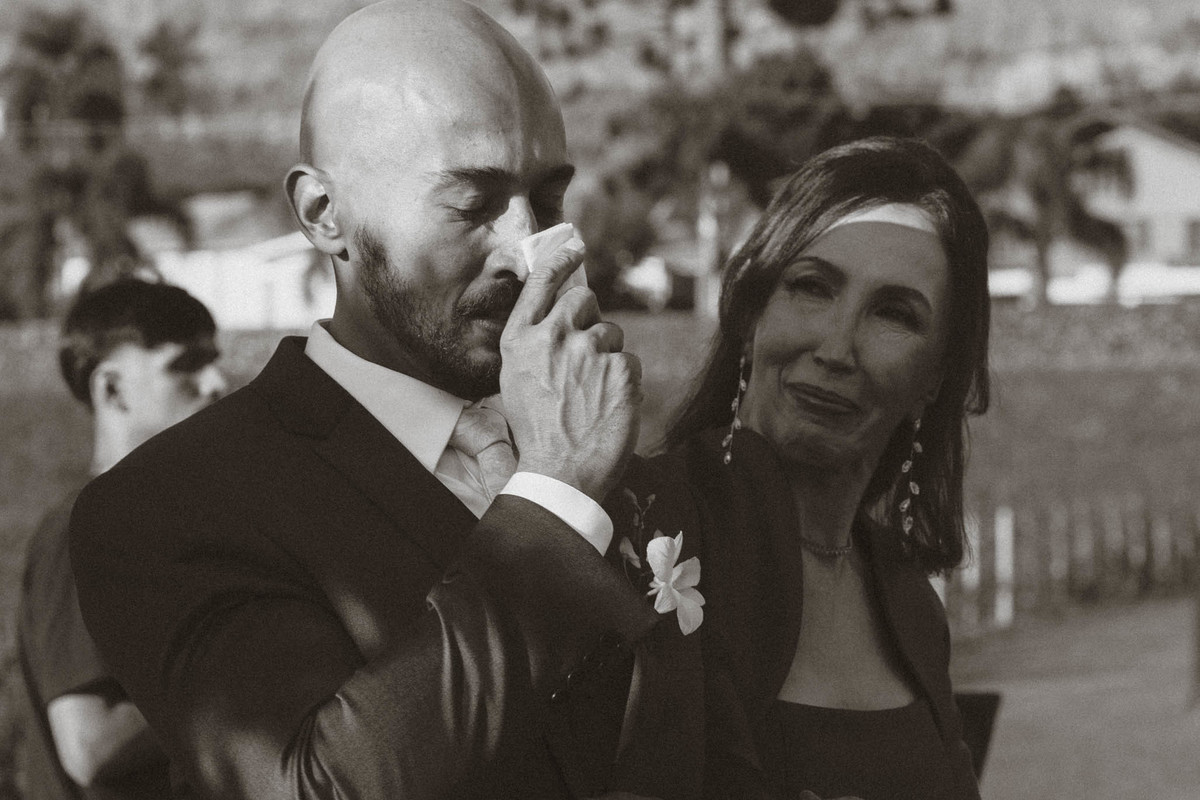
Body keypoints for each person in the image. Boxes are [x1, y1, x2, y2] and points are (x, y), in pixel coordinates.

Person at [68, 2, 702, 798]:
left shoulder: (617, 463)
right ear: (325, 215)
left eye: (548, 201)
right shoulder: (169, 504)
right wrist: (555, 496)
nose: (530, 250)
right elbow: (312, 785)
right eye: (472, 204)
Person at [655, 137, 991, 800]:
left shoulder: (909, 603)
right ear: (752, 313)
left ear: (936, 376)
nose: (837, 349)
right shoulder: (641, 531)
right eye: (812, 287)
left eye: (894, 314)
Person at [19, 277, 226, 800]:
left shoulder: (156, 526)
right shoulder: (86, 529)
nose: (216, 382)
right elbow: (91, 745)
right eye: (185, 365)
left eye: (213, 361)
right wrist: (252, 682)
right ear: (111, 389)